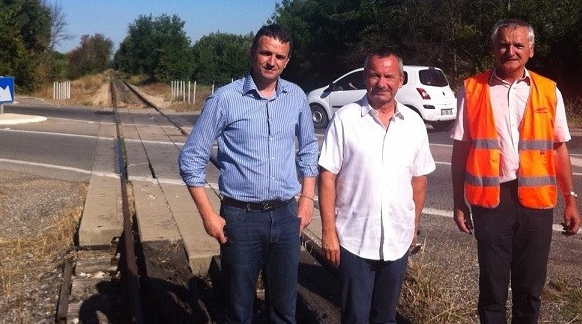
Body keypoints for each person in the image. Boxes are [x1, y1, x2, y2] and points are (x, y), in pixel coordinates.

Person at [178, 24, 319, 324]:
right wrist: (207, 216)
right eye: (266, 53)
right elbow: (191, 159)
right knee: (238, 310)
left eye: (280, 57)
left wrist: (307, 197)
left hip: (285, 214)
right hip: (240, 218)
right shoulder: (224, 100)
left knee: (284, 309)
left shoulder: (295, 97)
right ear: (252, 53)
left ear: (287, 60)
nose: (272, 62)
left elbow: (308, 150)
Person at [450, 18, 581, 323]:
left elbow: (559, 146)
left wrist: (570, 199)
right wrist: (459, 202)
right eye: (504, 44)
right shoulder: (471, 89)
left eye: (518, 44)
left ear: (530, 50)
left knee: (529, 291)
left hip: (535, 204)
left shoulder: (549, 91)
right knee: (492, 291)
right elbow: (461, 150)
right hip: (491, 201)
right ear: (494, 48)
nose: (511, 50)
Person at [318, 47, 435, 324]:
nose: (381, 83)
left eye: (389, 76)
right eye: (374, 75)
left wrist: (413, 228)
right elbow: (327, 178)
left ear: (401, 79)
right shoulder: (345, 119)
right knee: (355, 317)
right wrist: (328, 232)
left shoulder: (414, 124)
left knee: (386, 317)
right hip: (354, 240)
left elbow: (419, 180)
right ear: (364, 78)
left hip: (397, 240)